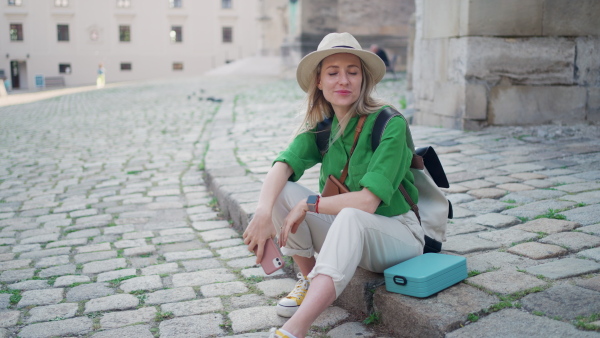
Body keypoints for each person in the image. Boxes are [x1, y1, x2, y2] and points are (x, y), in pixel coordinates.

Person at [242, 32, 424, 338]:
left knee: (351, 214)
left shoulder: (390, 124)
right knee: (283, 191)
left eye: (352, 72)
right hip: (348, 230)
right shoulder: (324, 126)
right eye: (333, 72)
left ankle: (295, 329)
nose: (344, 80)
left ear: (363, 80)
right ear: (319, 82)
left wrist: (310, 204)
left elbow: (367, 203)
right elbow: (282, 166)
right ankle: (309, 279)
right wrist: (262, 212)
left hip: (397, 234)